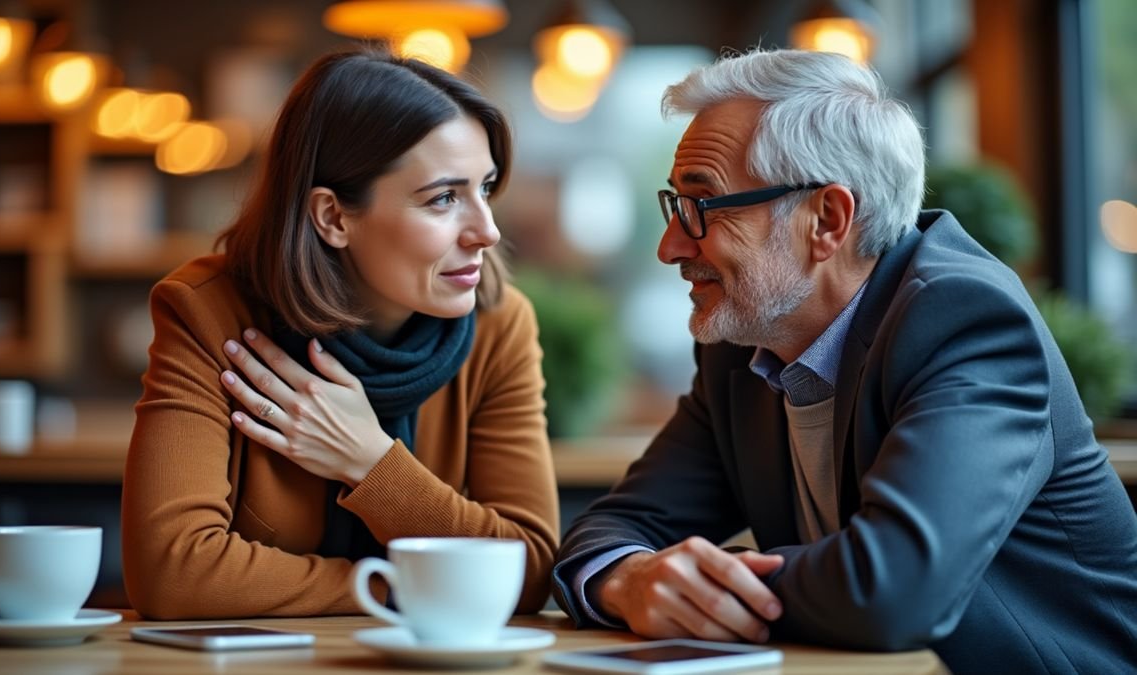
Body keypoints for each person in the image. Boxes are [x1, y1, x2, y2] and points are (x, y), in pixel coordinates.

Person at [552, 48, 1137, 673]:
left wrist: (692, 593)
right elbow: (616, 527)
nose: (671, 246)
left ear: (827, 219)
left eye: (702, 207)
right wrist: (630, 578)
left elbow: (894, 589)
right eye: (675, 206)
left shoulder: (965, 322)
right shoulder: (743, 352)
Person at [122, 49, 559, 619]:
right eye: (444, 198)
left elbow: (527, 572)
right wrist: (414, 587)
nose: (488, 230)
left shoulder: (500, 323)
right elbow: (173, 572)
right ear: (332, 217)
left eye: (487, 187)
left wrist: (371, 462)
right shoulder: (209, 314)